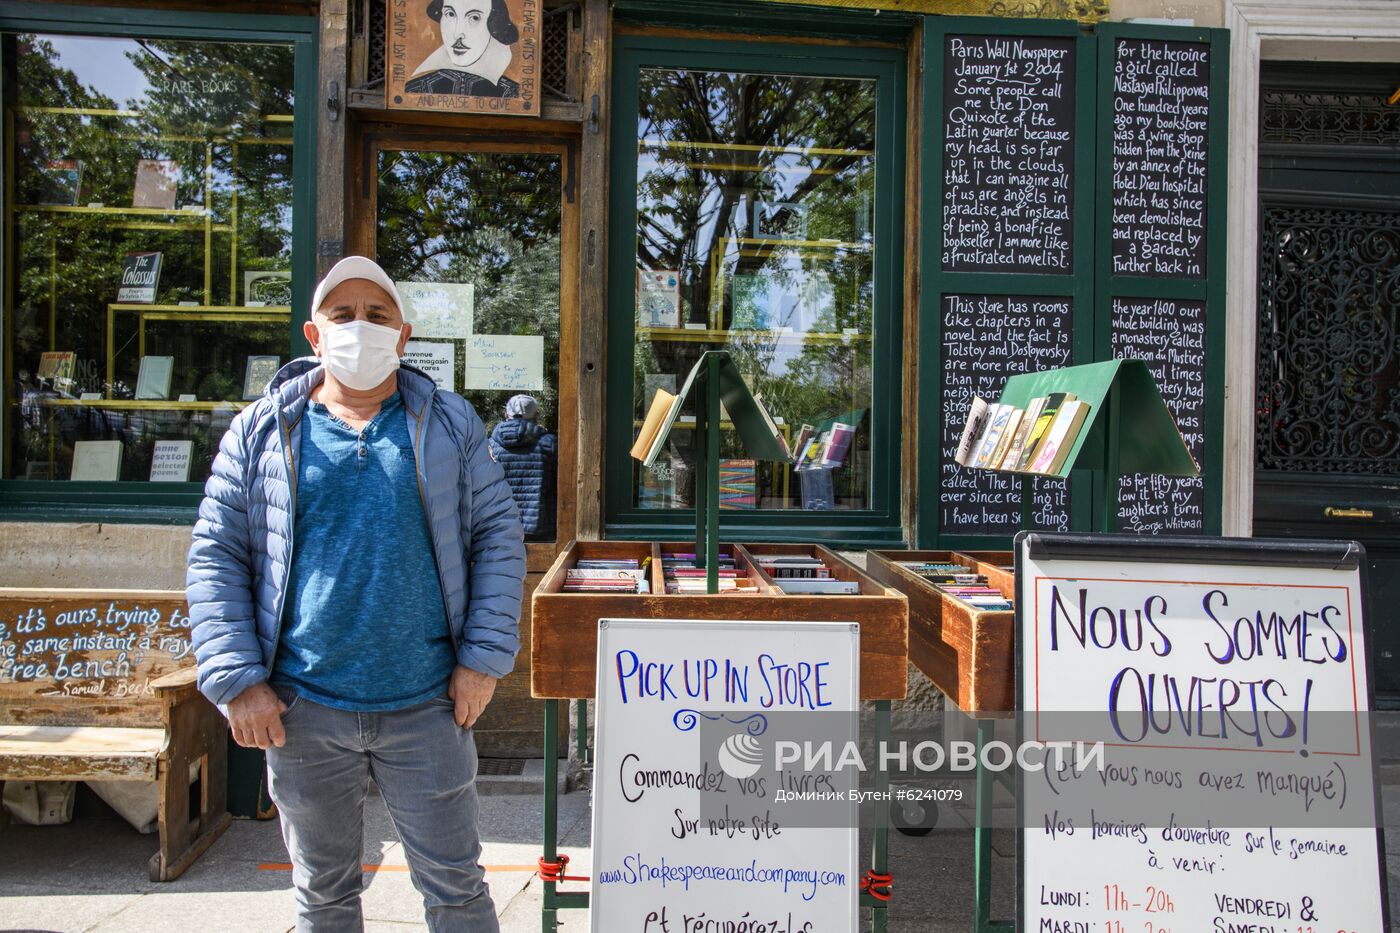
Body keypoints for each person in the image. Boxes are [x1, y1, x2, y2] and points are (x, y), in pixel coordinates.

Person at [186, 256, 525, 932]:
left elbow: (498, 539)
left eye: (378, 315)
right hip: (303, 707)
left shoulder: (451, 425)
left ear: (403, 336)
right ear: (315, 335)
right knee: (323, 893)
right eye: (344, 315)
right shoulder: (261, 431)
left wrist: (483, 660)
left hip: (427, 706)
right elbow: (216, 554)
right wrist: (236, 681)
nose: (361, 328)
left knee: (457, 889)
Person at [405, 0, 520, 98]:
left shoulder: (512, 93)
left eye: (474, 17)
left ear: (494, 23)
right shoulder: (415, 89)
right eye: (450, 14)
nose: (458, 34)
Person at [488, 394, 557, 539]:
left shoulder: (490, 446)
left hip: (500, 526)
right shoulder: (549, 444)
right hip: (540, 527)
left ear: (506, 413)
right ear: (536, 415)